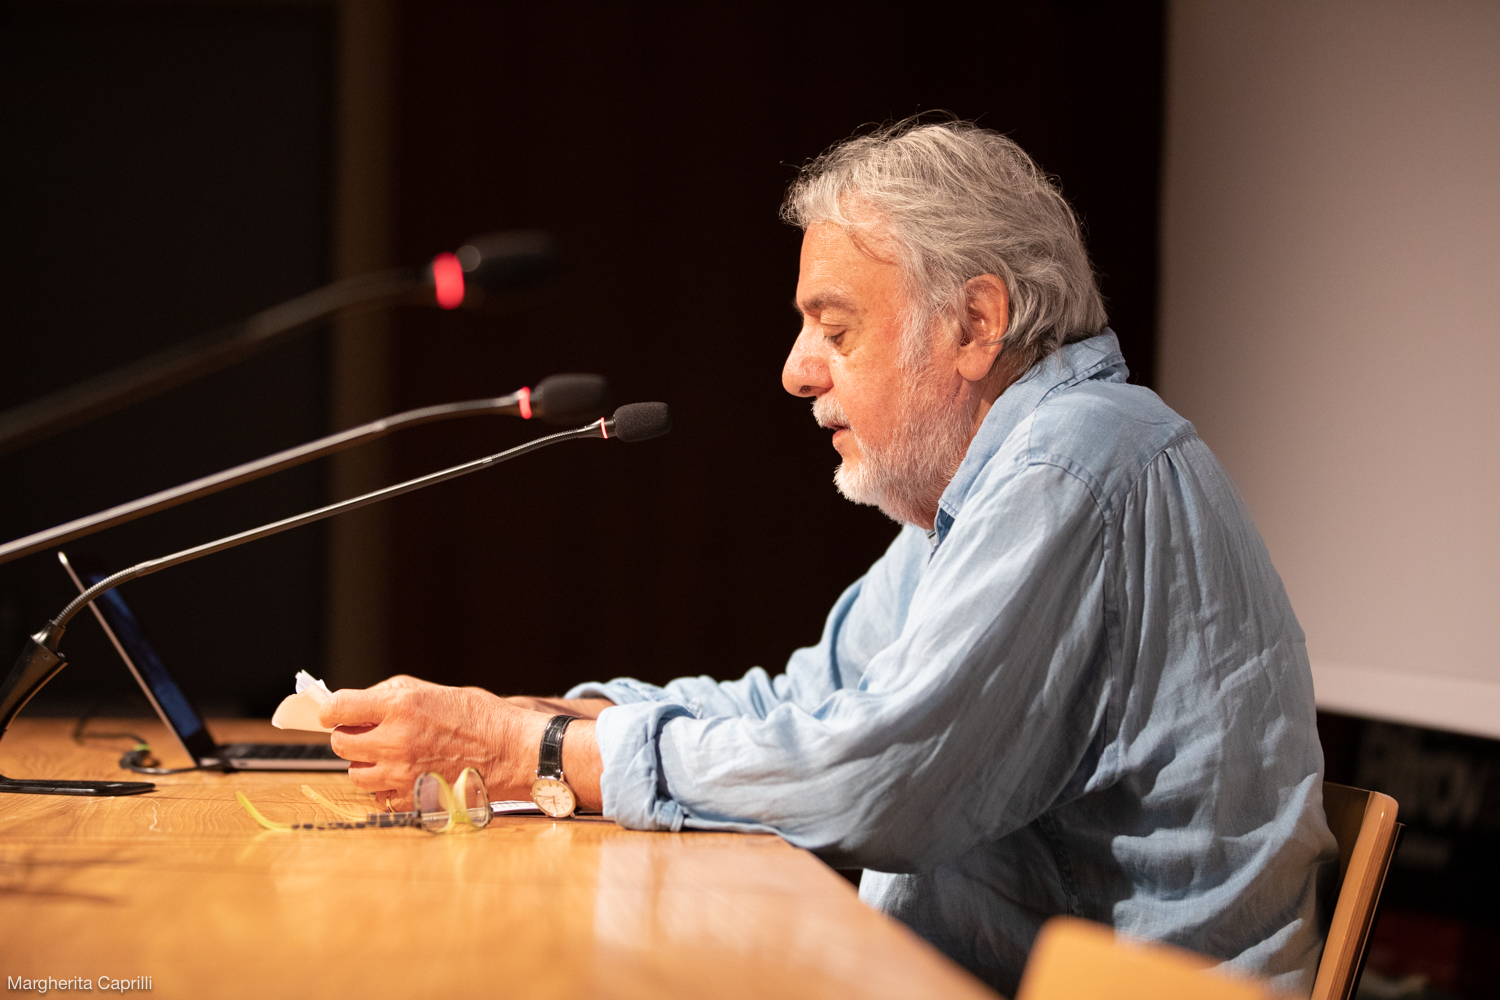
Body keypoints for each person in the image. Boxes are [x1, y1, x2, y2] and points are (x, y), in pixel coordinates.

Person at [320, 119, 1337, 997]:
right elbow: (807, 707)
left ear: (976, 324)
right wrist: (531, 725)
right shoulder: (984, 489)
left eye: (833, 328)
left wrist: (543, 755)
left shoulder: (1071, 464)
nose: (795, 371)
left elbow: (876, 779)